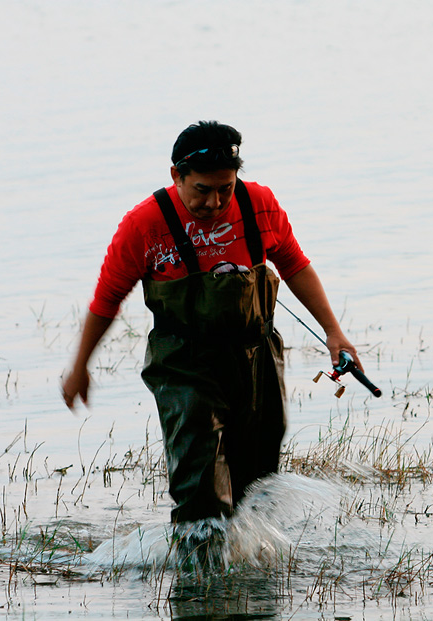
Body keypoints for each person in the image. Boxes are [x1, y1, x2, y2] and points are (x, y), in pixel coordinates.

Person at [61, 120, 362, 526]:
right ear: (176, 176)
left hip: (256, 355)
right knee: (200, 481)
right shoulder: (144, 225)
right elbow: (105, 301)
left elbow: (294, 265)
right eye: (202, 190)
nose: (215, 202)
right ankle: (198, 572)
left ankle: (249, 573)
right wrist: (80, 366)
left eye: (226, 188)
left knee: (258, 479)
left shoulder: (260, 204)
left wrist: (333, 332)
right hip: (184, 362)